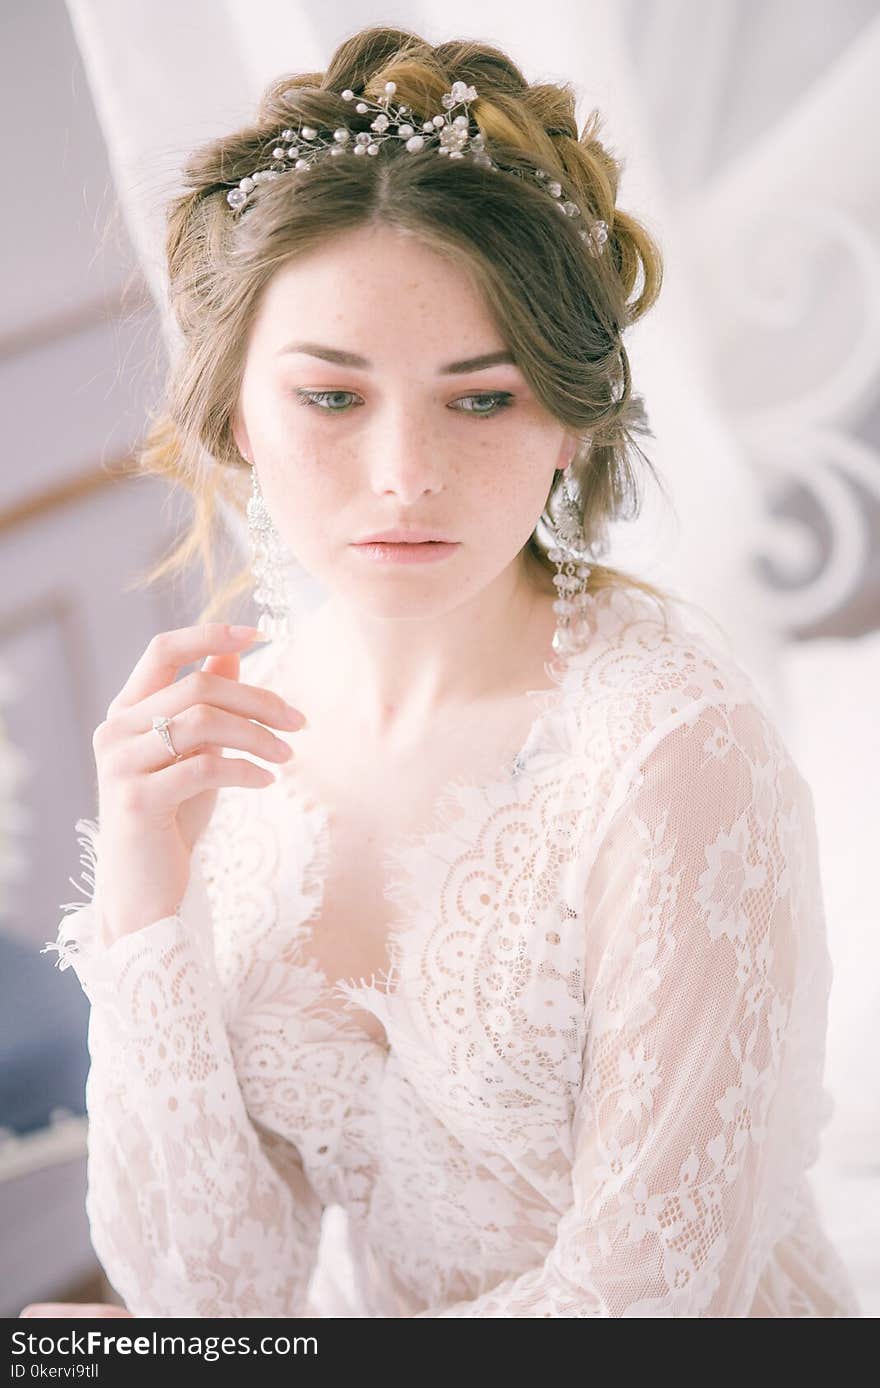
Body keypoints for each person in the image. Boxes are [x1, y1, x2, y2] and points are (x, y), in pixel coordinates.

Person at [24, 24, 862, 1318]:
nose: (405, 475)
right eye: (333, 398)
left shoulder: (674, 753)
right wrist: (143, 893)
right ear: (237, 407)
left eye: (480, 397)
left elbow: (646, 1307)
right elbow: (210, 1290)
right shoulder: (232, 750)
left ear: (570, 418)